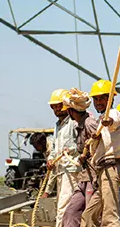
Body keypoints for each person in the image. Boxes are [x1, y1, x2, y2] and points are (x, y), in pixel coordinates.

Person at [81, 80, 120, 227]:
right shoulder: (100, 121)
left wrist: (109, 121)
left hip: (111, 168)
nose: (98, 102)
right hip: (104, 171)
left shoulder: (112, 113)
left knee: (109, 216)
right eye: (96, 99)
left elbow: (114, 121)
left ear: (110, 99)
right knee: (89, 215)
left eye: (102, 98)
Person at [63, 88, 99, 227]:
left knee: (92, 216)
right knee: (71, 212)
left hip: (93, 176)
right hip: (84, 177)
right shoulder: (79, 125)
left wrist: (88, 154)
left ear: (71, 111)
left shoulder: (89, 123)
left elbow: (100, 144)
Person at [45, 89, 80, 227]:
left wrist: (70, 150)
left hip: (71, 170)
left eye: (59, 105)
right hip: (61, 171)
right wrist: (51, 159)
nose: (56, 109)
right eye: (54, 106)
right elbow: (54, 147)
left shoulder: (73, 122)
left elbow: (81, 144)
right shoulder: (57, 126)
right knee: (64, 205)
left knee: (63, 207)